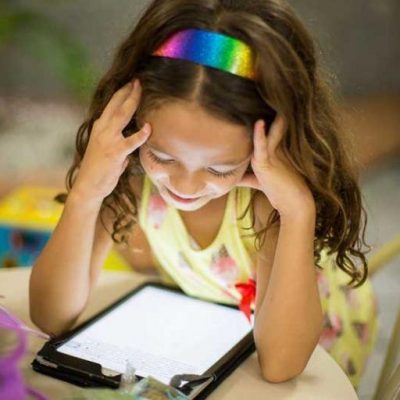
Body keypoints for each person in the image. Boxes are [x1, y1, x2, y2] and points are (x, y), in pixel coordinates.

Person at [29, 0, 378, 388]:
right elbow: (51, 316)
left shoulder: (268, 202)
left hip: (312, 345)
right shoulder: (128, 174)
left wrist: (298, 211)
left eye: (219, 168)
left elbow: (281, 365)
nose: (185, 186)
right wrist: (86, 193)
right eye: (162, 155)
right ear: (132, 120)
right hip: (212, 327)